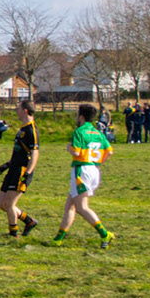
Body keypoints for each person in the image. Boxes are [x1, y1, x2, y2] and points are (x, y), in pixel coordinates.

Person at [56, 103, 114, 247]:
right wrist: (98, 162)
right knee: (70, 206)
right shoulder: (98, 133)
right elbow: (110, 151)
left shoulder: (79, 132)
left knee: (82, 207)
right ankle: (57, 239)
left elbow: (76, 152)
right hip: (94, 169)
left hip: (81, 171)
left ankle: (104, 234)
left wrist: (69, 148)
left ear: (81, 117)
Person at [0, 100, 39, 240]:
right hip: (13, 169)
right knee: (1, 204)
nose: (17, 111)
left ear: (25, 111)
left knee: (9, 204)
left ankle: (13, 235)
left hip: (21, 171)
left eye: (18, 109)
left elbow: (34, 153)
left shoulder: (31, 130)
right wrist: (7, 165)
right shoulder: (23, 129)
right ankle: (29, 221)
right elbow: (20, 152)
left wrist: (28, 173)